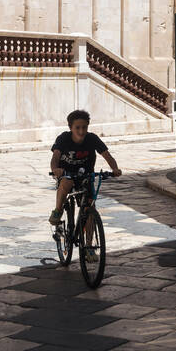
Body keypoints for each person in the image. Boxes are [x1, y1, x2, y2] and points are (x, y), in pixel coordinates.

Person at [49, 110, 121, 257]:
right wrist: (55, 169)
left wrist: (115, 169)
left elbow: (107, 155)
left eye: (84, 127)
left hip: (86, 175)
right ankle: (58, 210)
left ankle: (88, 246)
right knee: (66, 183)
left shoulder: (92, 139)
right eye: (78, 128)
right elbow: (55, 157)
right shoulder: (64, 138)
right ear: (71, 128)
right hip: (67, 173)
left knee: (89, 209)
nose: (81, 131)